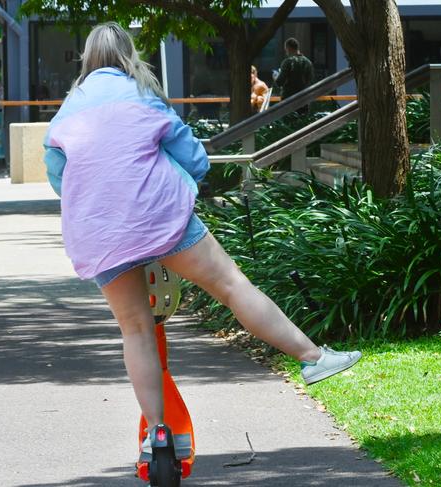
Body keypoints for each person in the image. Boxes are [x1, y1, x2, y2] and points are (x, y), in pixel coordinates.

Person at [43, 22, 361, 452]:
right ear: (127, 55)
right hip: (161, 218)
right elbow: (192, 156)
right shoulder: (142, 96)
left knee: (135, 329)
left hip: (102, 233)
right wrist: (186, 182)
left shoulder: (67, 111)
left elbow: (59, 178)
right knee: (231, 285)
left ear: (87, 59)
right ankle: (313, 358)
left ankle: (157, 435)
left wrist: (101, 201)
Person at [274, 37, 314, 112]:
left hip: (288, 100)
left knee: (288, 122)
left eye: (286, 49)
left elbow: (279, 82)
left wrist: (275, 77)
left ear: (288, 48)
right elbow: (310, 80)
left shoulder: (288, 62)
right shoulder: (308, 63)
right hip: (304, 99)